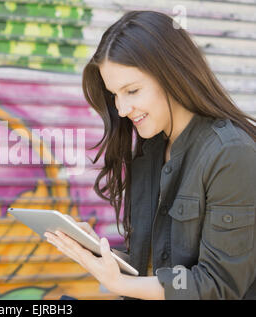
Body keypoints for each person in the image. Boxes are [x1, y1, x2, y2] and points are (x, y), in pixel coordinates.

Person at [44, 10, 256, 300]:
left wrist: (119, 285)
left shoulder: (231, 154)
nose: (121, 109)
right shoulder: (150, 150)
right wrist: (99, 253)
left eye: (131, 90)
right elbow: (159, 266)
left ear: (172, 75)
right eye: (115, 94)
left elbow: (217, 284)